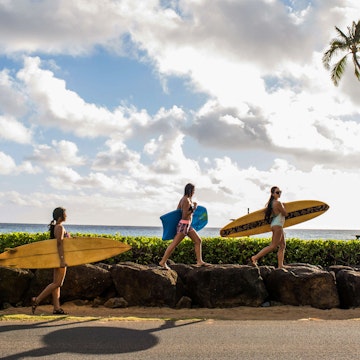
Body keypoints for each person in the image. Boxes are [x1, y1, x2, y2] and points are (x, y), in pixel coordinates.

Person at [159, 183, 211, 270]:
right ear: (190, 190)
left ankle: (199, 261)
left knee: (198, 240)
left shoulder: (186, 200)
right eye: (193, 190)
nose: (194, 192)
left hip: (188, 225)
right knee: (174, 244)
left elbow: (177, 211)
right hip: (184, 225)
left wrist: (192, 206)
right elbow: (184, 215)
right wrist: (194, 207)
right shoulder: (186, 200)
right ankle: (163, 262)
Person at [31, 207, 69, 315]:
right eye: (65, 213)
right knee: (58, 283)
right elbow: (59, 244)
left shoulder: (56, 227)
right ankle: (37, 299)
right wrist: (62, 260)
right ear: (61, 216)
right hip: (60, 258)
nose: (67, 215)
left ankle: (56, 308)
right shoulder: (60, 227)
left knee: (55, 284)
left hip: (56, 257)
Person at [248, 186, 288, 269]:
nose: (279, 194)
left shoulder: (271, 203)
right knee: (273, 246)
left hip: (276, 225)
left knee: (282, 245)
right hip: (278, 226)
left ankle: (280, 265)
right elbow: (285, 214)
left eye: (280, 192)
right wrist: (283, 207)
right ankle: (254, 258)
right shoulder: (278, 203)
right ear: (273, 194)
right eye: (277, 192)